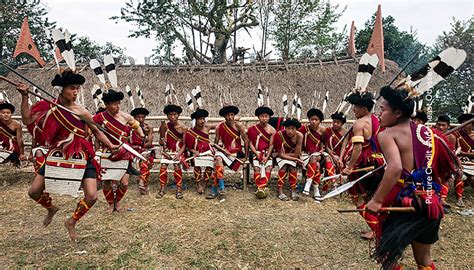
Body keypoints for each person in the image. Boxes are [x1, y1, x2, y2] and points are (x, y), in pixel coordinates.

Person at [15, 70, 117, 241]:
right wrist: (25, 96)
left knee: (92, 196)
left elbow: (97, 133)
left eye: (77, 88)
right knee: (33, 192)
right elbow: (26, 120)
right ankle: (51, 208)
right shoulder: (49, 107)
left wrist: (111, 144)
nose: (75, 92)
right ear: (61, 89)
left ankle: (71, 221)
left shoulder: (82, 112)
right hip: (57, 155)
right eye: (72, 88)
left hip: (82, 155)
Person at [367, 85, 457, 269]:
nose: (379, 115)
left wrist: (376, 201)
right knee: (423, 260)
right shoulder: (430, 133)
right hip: (430, 203)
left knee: (388, 258)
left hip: (402, 202)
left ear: (398, 112)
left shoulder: (387, 135)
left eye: (382, 110)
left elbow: (395, 168)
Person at [339, 91, 384, 239]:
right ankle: (378, 228)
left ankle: (378, 230)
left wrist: (350, 167)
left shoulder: (360, 123)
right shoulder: (376, 119)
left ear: (364, 109)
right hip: (378, 161)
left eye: (356, 107)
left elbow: (358, 148)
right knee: (371, 197)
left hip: (363, 163)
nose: (353, 110)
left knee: (356, 197)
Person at [93, 89, 144, 213]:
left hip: (123, 152)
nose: (118, 106)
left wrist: (142, 136)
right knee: (106, 182)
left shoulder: (125, 116)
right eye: (114, 103)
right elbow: (91, 130)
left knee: (125, 182)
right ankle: (111, 203)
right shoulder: (99, 117)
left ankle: (118, 201)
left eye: (118, 103)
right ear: (106, 105)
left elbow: (136, 125)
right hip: (107, 153)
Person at [208, 104, 248, 200]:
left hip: (236, 153)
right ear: (224, 116)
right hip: (223, 152)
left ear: (234, 115)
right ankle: (221, 188)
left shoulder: (239, 126)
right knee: (217, 159)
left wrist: (245, 156)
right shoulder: (220, 127)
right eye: (227, 115)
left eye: (231, 114)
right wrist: (219, 149)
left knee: (217, 162)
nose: (230, 117)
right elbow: (216, 143)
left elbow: (246, 141)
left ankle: (215, 187)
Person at [184, 108, 218, 196]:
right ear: (195, 120)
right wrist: (193, 151)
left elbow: (220, 125)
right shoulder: (190, 131)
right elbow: (187, 146)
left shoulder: (207, 127)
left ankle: (205, 183)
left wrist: (232, 119)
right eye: (200, 119)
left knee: (209, 166)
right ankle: (198, 183)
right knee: (197, 165)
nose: (202, 121)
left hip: (208, 151)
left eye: (203, 119)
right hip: (197, 152)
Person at [157, 104, 188, 199]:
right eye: (170, 114)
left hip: (178, 151)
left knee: (177, 165)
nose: (173, 117)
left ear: (178, 115)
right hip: (167, 151)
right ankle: (162, 188)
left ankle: (179, 189)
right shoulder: (164, 126)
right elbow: (160, 141)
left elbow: (185, 145)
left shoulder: (183, 128)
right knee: (163, 166)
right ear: (167, 116)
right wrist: (162, 142)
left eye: (175, 114)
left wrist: (178, 155)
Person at [270, 118, 303, 201]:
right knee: (284, 166)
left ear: (296, 129)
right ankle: (280, 190)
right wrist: (280, 154)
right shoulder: (279, 135)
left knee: (293, 168)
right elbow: (281, 155)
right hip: (282, 157)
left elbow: (296, 153)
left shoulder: (299, 136)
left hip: (289, 155)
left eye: (293, 129)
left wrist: (281, 154)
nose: (290, 131)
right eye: (288, 128)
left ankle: (293, 190)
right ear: (285, 128)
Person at [247, 106, 276, 199]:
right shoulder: (252, 129)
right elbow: (250, 142)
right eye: (262, 116)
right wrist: (256, 152)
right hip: (255, 152)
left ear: (269, 117)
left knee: (269, 167)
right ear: (258, 117)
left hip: (268, 153)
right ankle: (261, 187)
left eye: (266, 116)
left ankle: (261, 187)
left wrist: (267, 156)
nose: (264, 118)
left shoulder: (272, 130)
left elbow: (271, 145)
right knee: (256, 168)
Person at [299, 108, 327, 200]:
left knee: (314, 157)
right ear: (309, 119)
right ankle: (316, 189)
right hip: (306, 155)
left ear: (320, 121)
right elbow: (299, 142)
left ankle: (308, 183)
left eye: (316, 120)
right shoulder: (304, 129)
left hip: (318, 154)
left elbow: (323, 142)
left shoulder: (323, 130)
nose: (314, 122)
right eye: (312, 119)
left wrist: (322, 149)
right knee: (317, 166)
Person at [450, 113, 474, 206]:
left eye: (467, 123)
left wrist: (464, 153)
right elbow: (452, 151)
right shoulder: (456, 134)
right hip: (460, 161)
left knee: (472, 180)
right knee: (459, 173)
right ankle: (459, 198)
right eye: (463, 123)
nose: (464, 125)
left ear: (472, 124)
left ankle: (464, 184)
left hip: (472, 163)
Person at [130, 107, 154, 195]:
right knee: (145, 158)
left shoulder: (148, 127)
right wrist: (137, 147)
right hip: (133, 150)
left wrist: (146, 134)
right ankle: (143, 183)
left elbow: (149, 143)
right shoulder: (130, 128)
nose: (141, 119)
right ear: (134, 118)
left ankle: (142, 182)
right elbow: (128, 143)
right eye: (138, 117)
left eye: (143, 117)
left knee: (145, 157)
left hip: (146, 150)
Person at [0, 101, 26, 165]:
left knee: (13, 158)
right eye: (3, 113)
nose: (6, 114)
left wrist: (22, 153)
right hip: (1, 146)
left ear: (11, 114)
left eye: (8, 113)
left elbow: (19, 139)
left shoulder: (16, 124)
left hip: (12, 147)